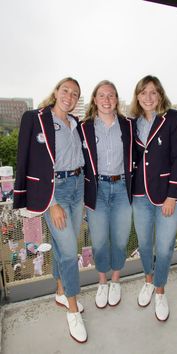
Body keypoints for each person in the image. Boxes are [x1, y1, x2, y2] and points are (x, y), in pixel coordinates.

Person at [13, 77, 87, 343]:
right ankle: (73, 307)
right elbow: (27, 161)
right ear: (56, 91)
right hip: (54, 193)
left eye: (75, 93)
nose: (69, 95)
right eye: (65, 90)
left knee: (62, 245)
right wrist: (53, 202)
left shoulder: (75, 124)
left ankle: (59, 291)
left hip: (78, 187)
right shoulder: (34, 118)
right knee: (69, 252)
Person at [130, 75, 177, 321]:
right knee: (144, 245)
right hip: (140, 195)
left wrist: (172, 196)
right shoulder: (131, 123)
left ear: (160, 94)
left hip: (167, 196)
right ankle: (148, 280)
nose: (148, 97)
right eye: (143, 93)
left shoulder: (174, 118)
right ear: (138, 96)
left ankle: (160, 291)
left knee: (164, 247)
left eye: (153, 92)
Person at [78, 80, 133, 308]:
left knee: (120, 239)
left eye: (111, 95)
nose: (107, 99)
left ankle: (116, 280)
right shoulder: (85, 127)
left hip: (122, 188)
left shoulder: (128, 125)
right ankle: (102, 282)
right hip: (97, 190)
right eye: (102, 95)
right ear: (95, 100)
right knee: (99, 241)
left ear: (117, 99)